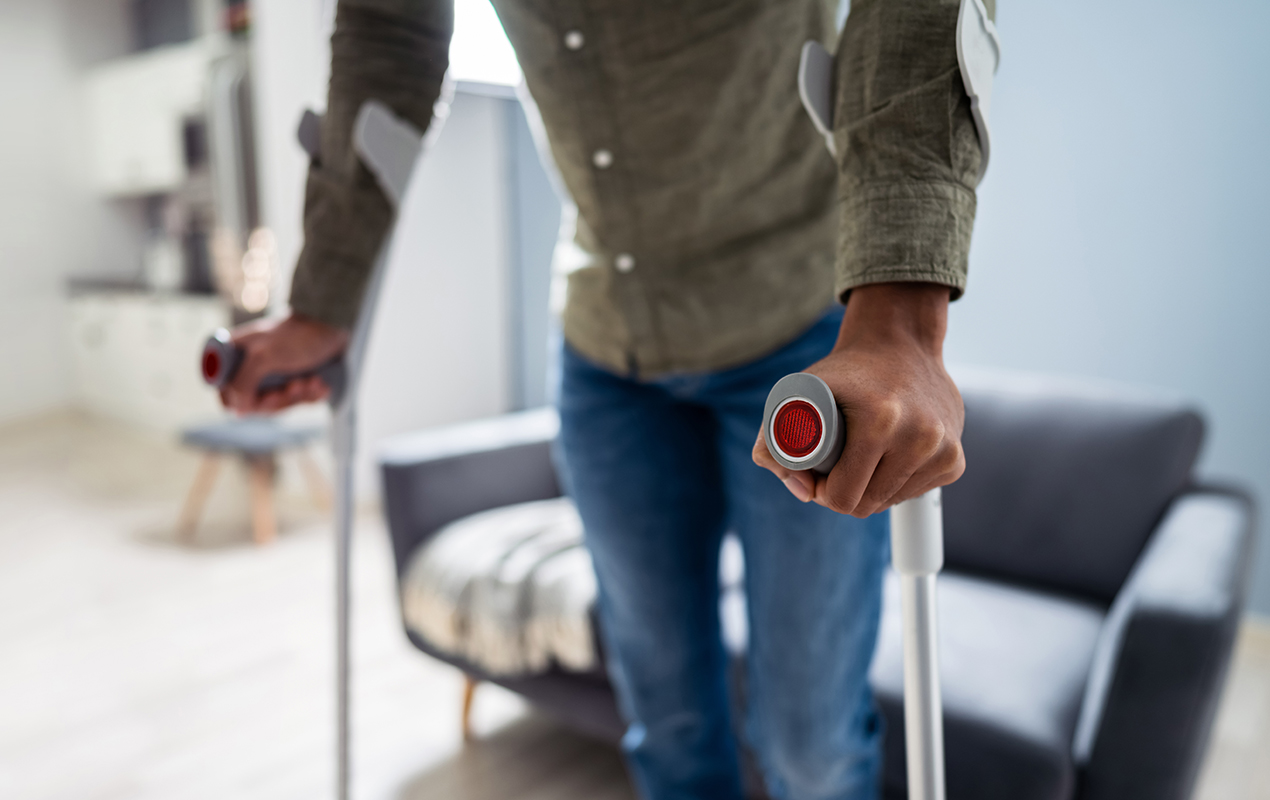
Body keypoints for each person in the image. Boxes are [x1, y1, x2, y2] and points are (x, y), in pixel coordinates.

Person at [221, 1, 993, 797]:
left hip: (801, 339)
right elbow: (387, 30)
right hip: (607, 353)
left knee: (810, 744)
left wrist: (900, 310)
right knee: (666, 726)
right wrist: (322, 303)